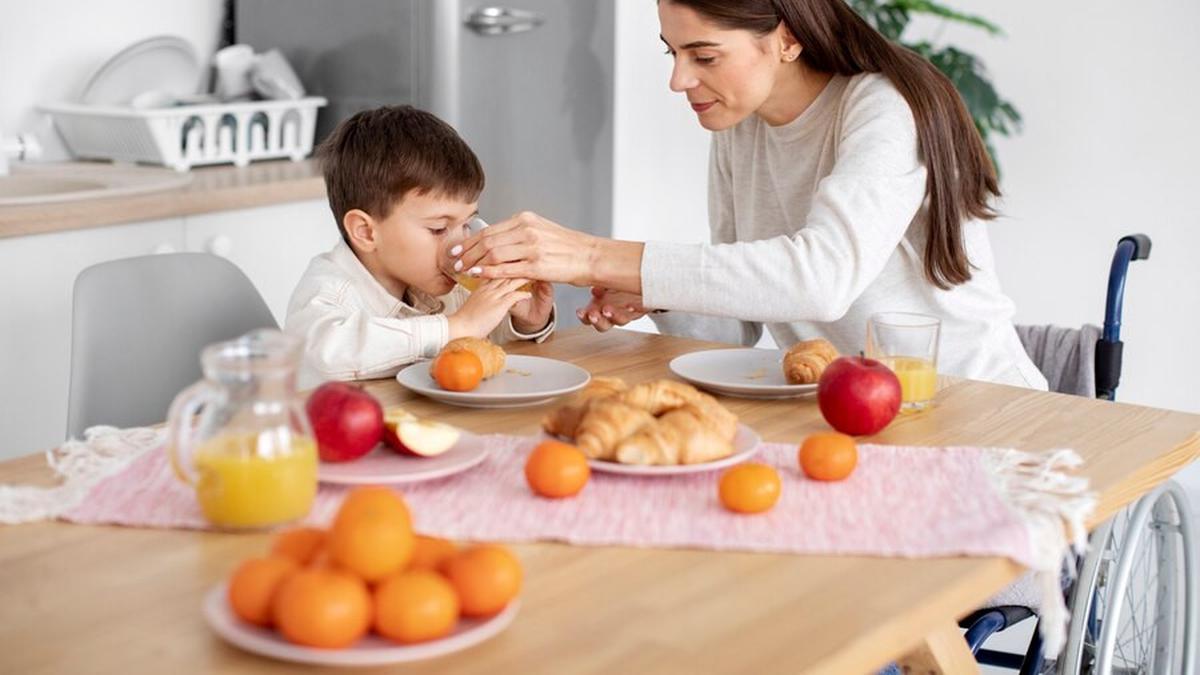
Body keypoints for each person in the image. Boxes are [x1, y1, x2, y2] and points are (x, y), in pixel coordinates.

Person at [448, 0, 1045, 390]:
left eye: (703, 55)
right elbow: (737, 328)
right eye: (673, 52)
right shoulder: (744, 125)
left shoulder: (883, 109)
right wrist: (653, 294)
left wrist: (594, 255)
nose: (679, 80)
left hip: (975, 407)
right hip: (849, 410)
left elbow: (820, 279)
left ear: (786, 40)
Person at [286, 106, 556, 381]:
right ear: (366, 232)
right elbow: (327, 356)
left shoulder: (439, 285)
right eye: (438, 228)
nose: (460, 244)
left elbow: (479, 338)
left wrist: (524, 321)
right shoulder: (328, 294)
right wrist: (455, 327)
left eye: (465, 224)